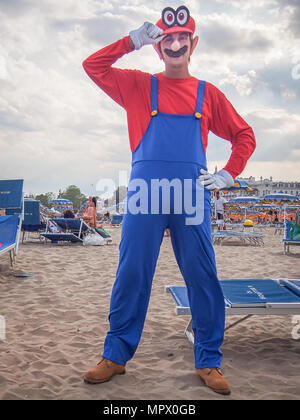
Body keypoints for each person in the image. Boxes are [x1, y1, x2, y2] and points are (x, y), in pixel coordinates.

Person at [82, 5, 256, 395]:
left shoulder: (208, 94)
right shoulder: (139, 85)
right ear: (158, 47)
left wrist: (230, 173)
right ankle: (115, 355)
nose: (175, 43)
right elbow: (93, 66)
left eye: (182, 38)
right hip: (144, 193)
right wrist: (130, 41)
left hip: (193, 194)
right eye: (166, 38)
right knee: (132, 272)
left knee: (202, 275)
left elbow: (245, 135)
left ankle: (209, 360)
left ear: (193, 43)